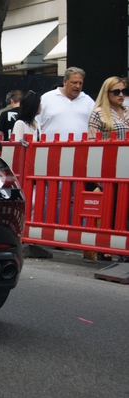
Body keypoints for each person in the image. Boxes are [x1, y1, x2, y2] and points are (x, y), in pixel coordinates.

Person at [87, 76, 129, 263]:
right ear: (107, 93)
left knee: (125, 209)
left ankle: (123, 247)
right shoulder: (98, 113)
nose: (121, 95)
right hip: (109, 168)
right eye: (116, 92)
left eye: (124, 91)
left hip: (127, 166)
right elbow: (91, 142)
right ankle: (107, 249)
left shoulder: (128, 111)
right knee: (111, 209)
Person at [37, 67, 95, 141]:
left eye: (80, 83)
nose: (78, 86)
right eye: (74, 82)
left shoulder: (88, 101)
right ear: (65, 82)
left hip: (80, 150)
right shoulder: (47, 98)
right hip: (51, 150)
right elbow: (36, 124)